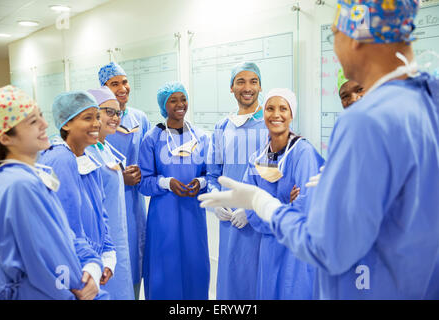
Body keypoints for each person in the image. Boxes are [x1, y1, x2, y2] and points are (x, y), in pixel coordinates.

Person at [199, 0, 439, 299]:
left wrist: (262, 203)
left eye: (335, 34)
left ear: (357, 36)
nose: (336, 48)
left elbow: (327, 247)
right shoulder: (429, 101)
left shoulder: (365, 121)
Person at [0, 85, 108, 300]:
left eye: (41, 116)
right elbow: (44, 266)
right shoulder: (18, 185)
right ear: (5, 138)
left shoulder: (31, 175)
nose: (45, 124)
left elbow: (65, 235)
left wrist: (92, 265)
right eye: (33, 122)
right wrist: (79, 290)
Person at [243, 88, 324, 299]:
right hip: (269, 248)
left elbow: (305, 208)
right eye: (270, 108)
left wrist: (268, 206)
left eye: (283, 109)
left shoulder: (303, 152)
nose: (276, 114)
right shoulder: (260, 156)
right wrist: (284, 206)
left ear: (291, 114)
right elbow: (249, 204)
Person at [38, 91, 116, 291]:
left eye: (97, 117)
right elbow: (66, 227)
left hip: (90, 262)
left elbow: (101, 213)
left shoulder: (88, 158)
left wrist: (107, 255)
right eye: (87, 118)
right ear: (66, 124)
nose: (96, 124)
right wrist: (89, 264)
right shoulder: (60, 160)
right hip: (73, 266)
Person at [138, 81, 210, 300]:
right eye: (173, 100)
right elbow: (144, 182)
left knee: (194, 264)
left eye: (183, 99)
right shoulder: (152, 138)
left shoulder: (200, 137)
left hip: (193, 213)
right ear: (163, 105)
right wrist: (167, 183)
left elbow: (211, 174)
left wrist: (201, 183)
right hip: (164, 216)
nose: (180, 104)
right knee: (165, 267)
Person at [206, 61, 268, 300]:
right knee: (231, 280)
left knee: (257, 280)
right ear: (231, 88)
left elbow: (274, 176)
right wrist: (215, 201)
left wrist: (251, 208)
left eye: (253, 81)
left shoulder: (271, 123)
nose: (247, 87)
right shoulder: (223, 127)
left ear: (260, 86)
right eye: (240, 81)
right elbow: (213, 173)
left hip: (260, 219)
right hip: (229, 219)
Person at [99, 62, 151, 296]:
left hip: (135, 203)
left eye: (124, 81)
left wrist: (143, 173)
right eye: (114, 83)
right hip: (109, 201)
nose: (122, 88)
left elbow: (149, 157)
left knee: (136, 253)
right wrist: (121, 178)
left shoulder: (140, 118)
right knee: (117, 256)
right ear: (104, 89)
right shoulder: (99, 123)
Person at [85, 86, 135, 300]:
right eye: (109, 112)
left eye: (118, 113)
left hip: (117, 241)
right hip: (100, 243)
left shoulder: (104, 149)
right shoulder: (86, 153)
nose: (116, 118)